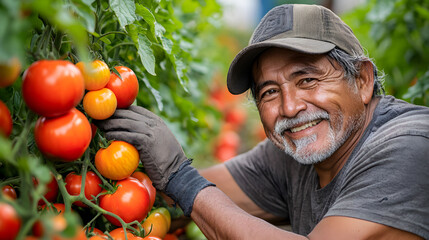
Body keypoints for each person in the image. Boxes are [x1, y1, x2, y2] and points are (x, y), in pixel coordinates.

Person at [96, 4, 429, 239]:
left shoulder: (411, 148)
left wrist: (179, 176)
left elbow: (187, 187)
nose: (290, 106)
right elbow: (172, 200)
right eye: (270, 92)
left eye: (308, 80)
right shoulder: (290, 157)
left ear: (363, 81)